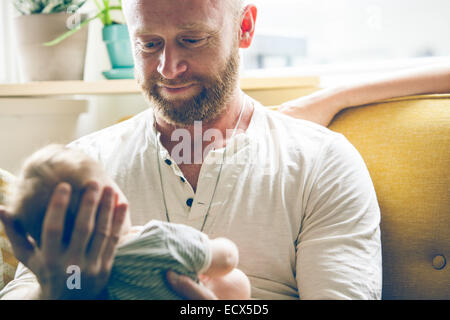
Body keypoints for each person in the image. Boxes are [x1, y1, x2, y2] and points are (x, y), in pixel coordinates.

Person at [0, 0, 448, 300]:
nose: (168, 69)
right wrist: (61, 291)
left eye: (193, 40)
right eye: (148, 44)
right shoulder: (82, 168)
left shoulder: (321, 163)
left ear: (245, 27)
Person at [7, 144, 251, 300]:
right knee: (234, 280)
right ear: (116, 202)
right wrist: (56, 294)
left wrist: (72, 283)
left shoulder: (76, 277)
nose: (170, 66)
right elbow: (227, 258)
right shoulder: (160, 239)